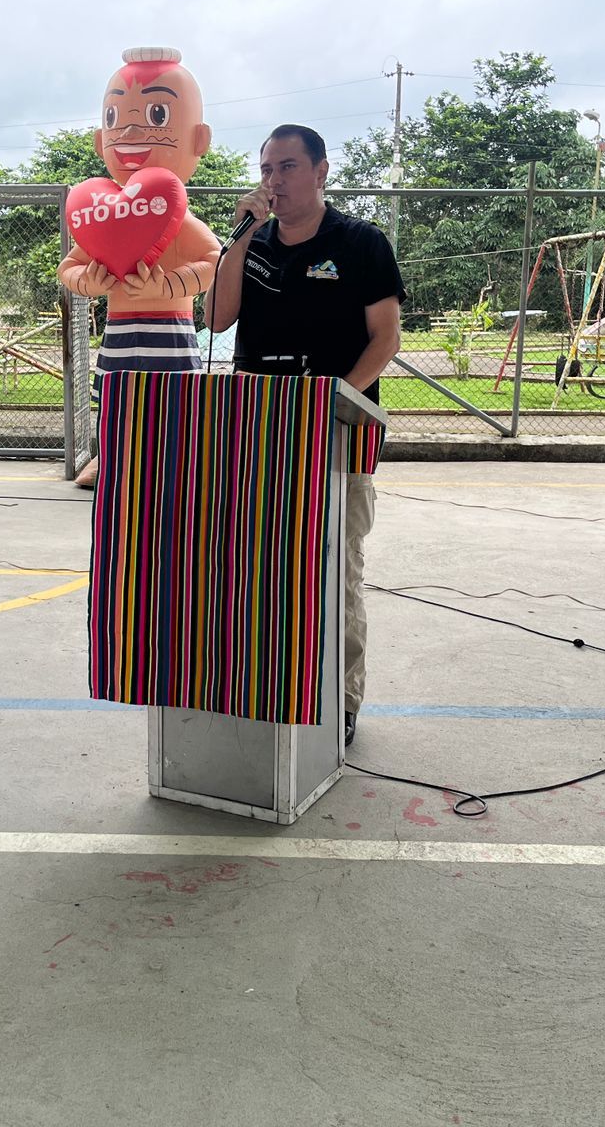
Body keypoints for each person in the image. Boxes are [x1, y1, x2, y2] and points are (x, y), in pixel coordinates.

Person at [208, 123, 405, 747]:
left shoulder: (360, 243)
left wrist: (334, 404)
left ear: (321, 172)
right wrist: (240, 238)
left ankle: (339, 701)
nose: (274, 180)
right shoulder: (253, 242)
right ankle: (264, 686)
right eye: (267, 168)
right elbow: (217, 319)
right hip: (257, 430)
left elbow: (385, 339)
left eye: (288, 167)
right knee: (256, 566)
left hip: (335, 432)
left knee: (335, 569)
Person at [58, 46, 221, 488]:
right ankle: (113, 458)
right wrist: (87, 281)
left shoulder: (178, 217)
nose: (130, 131)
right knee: (114, 400)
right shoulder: (102, 216)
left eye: (157, 114)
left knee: (177, 402)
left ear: (199, 139)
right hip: (119, 330)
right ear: (101, 140)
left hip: (172, 330)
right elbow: (68, 266)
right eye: (114, 118)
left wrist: (170, 286)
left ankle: (178, 467)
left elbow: (214, 260)